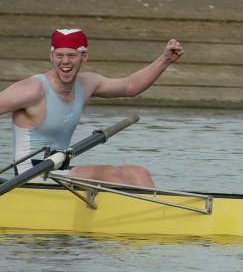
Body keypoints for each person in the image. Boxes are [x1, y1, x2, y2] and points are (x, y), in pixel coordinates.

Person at [0, 28, 184, 186]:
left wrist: (165, 59)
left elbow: (130, 86)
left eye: (72, 55)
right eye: (59, 55)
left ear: (84, 56)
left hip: (58, 169)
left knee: (139, 173)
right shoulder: (32, 89)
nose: (65, 61)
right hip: (30, 175)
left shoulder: (87, 84)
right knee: (111, 174)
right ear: (51, 56)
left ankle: (153, 220)